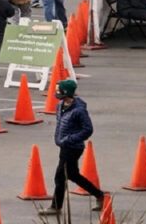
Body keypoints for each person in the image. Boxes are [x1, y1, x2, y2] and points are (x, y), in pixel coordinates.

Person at [39, 79, 106, 216]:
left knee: (60, 177)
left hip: (73, 148)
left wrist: (70, 139)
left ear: (66, 92)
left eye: (59, 90)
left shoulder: (79, 111)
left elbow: (88, 129)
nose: (56, 92)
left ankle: (56, 206)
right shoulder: (60, 105)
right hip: (64, 146)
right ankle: (99, 195)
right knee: (73, 175)